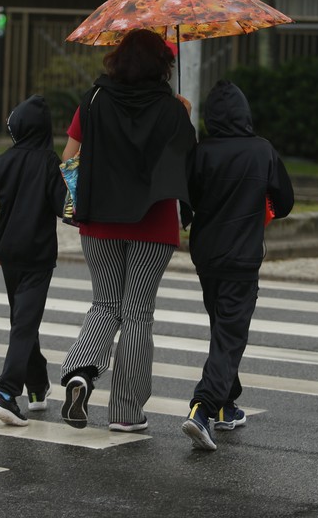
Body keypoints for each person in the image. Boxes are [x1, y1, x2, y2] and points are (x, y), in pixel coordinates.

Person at [59, 29, 196, 433]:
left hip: (98, 219)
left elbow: (69, 158)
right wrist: (182, 115)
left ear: (117, 60)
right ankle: (125, 413)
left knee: (104, 304)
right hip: (152, 223)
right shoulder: (171, 110)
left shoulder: (94, 100)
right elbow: (186, 164)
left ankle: (80, 373)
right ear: (162, 66)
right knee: (137, 313)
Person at [180, 80, 294, 451]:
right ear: (245, 113)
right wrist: (262, 209)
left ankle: (227, 404)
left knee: (222, 326)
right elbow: (285, 201)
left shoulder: (200, 152)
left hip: (206, 255)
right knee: (230, 333)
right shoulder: (262, 151)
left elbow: (188, 201)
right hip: (242, 256)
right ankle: (203, 407)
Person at [0, 94, 67, 426]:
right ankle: (6, 393)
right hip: (38, 257)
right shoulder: (51, 163)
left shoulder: (3, 161)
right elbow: (65, 209)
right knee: (25, 322)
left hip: (8, 255)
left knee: (24, 321)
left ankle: (37, 388)